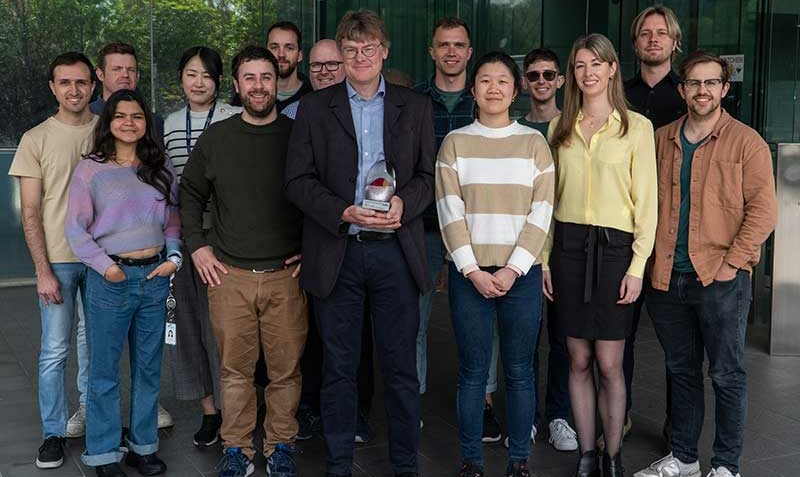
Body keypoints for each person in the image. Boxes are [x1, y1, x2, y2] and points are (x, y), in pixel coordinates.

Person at [285, 9, 434, 477]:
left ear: (385, 51)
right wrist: (340, 211)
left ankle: (406, 465)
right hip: (339, 250)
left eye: (369, 48)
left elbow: (430, 177)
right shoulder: (315, 107)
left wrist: (404, 205)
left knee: (400, 369)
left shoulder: (415, 106)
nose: (360, 57)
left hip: (395, 251)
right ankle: (338, 464)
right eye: (350, 50)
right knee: (338, 368)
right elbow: (297, 180)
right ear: (341, 54)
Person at [633, 51, 777, 477]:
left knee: (726, 374)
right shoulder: (660, 139)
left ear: (724, 89)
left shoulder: (746, 142)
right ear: (682, 89)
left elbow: (764, 212)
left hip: (721, 278)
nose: (702, 90)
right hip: (667, 277)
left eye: (711, 83)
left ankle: (727, 466)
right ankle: (684, 457)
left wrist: (732, 265)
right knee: (680, 371)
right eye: (694, 83)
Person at [180, 45, 306, 477]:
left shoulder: (296, 136)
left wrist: (311, 246)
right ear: (235, 85)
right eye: (249, 78)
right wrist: (197, 245)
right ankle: (237, 450)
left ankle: (280, 446)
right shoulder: (218, 138)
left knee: (285, 371)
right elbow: (190, 193)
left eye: (266, 77)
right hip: (228, 276)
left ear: (278, 82)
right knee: (234, 371)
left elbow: (318, 196)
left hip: (285, 277)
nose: (258, 85)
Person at [543, 33, 657, 477]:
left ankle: (612, 455)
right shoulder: (560, 127)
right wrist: (546, 257)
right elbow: (549, 201)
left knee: (610, 362)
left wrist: (637, 265)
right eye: (579, 65)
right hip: (568, 248)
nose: (587, 73)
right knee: (578, 359)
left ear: (612, 69)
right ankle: (586, 455)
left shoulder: (637, 127)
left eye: (596, 64)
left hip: (615, 252)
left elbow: (647, 204)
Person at [436, 50, 554, 477]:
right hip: (469, 275)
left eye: (502, 81)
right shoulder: (455, 143)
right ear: (474, 89)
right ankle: (472, 459)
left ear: (516, 89)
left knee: (520, 371)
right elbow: (449, 211)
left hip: (520, 276)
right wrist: (471, 271)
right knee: (472, 371)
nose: (493, 88)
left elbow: (541, 213)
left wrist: (511, 270)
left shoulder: (534, 144)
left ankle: (518, 460)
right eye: (485, 80)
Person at [66, 89, 181, 477]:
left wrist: (174, 257)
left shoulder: (160, 164)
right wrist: (106, 267)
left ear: (146, 123)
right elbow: (76, 230)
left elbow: (173, 221)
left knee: (149, 368)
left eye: (137, 116)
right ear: (109, 122)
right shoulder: (90, 170)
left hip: (154, 277)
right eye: (121, 116)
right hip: (110, 280)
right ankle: (102, 453)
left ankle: (143, 447)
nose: (129, 123)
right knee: (104, 371)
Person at [281, 38, 377, 445]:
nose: (324, 72)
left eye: (332, 64)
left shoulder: (371, 113)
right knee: (315, 338)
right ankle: (315, 409)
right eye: (317, 66)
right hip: (308, 243)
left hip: (352, 241)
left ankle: (356, 413)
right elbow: (290, 186)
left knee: (359, 336)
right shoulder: (292, 114)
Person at [8, 51, 97, 468]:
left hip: (102, 260)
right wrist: (42, 271)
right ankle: (53, 433)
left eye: (81, 82)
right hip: (58, 261)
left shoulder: (110, 130)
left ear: (93, 85)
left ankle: (95, 423)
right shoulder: (35, 138)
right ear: (53, 88)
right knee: (55, 350)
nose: (74, 90)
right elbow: (30, 212)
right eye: (65, 82)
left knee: (96, 346)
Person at [162, 46, 241, 448]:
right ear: (181, 78)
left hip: (226, 236)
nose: (198, 82)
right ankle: (210, 412)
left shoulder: (232, 116)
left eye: (207, 76)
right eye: (191, 74)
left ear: (220, 81)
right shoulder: (168, 123)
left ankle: (236, 409)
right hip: (183, 233)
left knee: (227, 328)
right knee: (189, 324)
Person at [621, 5, 687, 447]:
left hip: (674, 234)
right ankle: (618, 413)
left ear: (674, 42)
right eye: (645, 33)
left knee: (676, 343)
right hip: (623, 231)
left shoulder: (688, 94)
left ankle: (675, 426)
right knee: (617, 334)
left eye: (661, 33)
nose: (653, 40)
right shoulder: (617, 93)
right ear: (635, 42)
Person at [411, 15, 476, 431]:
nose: (451, 52)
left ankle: (481, 403)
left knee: (475, 324)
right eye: (443, 45)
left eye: (458, 45)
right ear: (432, 52)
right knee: (414, 321)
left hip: (475, 228)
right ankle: (412, 405)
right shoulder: (412, 102)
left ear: (469, 52)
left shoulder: (486, 98)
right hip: (421, 225)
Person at [515, 47, 578, 453]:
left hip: (564, 249)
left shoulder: (570, 128)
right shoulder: (514, 129)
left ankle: (558, 415)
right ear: (524, 82)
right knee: (523, 339)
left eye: (548, 75)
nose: (540, 81)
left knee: (561, 338)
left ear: (559, 80)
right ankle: (528, 416)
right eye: (533, 75)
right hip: (520, 249)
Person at [267, 21, 313, 112]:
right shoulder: (252, 94)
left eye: (289, 48)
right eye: (274, 47)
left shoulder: (312, 95)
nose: (281, 55)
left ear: (299, 55)